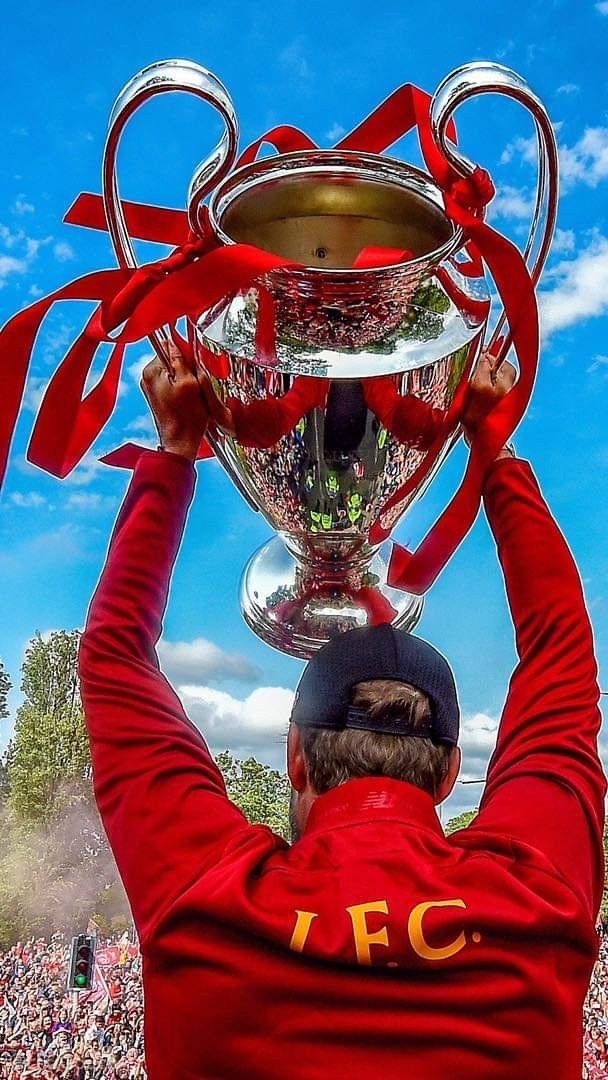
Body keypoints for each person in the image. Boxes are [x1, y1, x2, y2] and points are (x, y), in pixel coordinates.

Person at [78, 344, 605, 1080]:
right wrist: (496, 451)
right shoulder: (533, 896)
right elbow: (563, 659)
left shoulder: (209, 895)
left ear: (297, 756)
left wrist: (172, 452)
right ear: (452, 770)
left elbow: (109, 658)